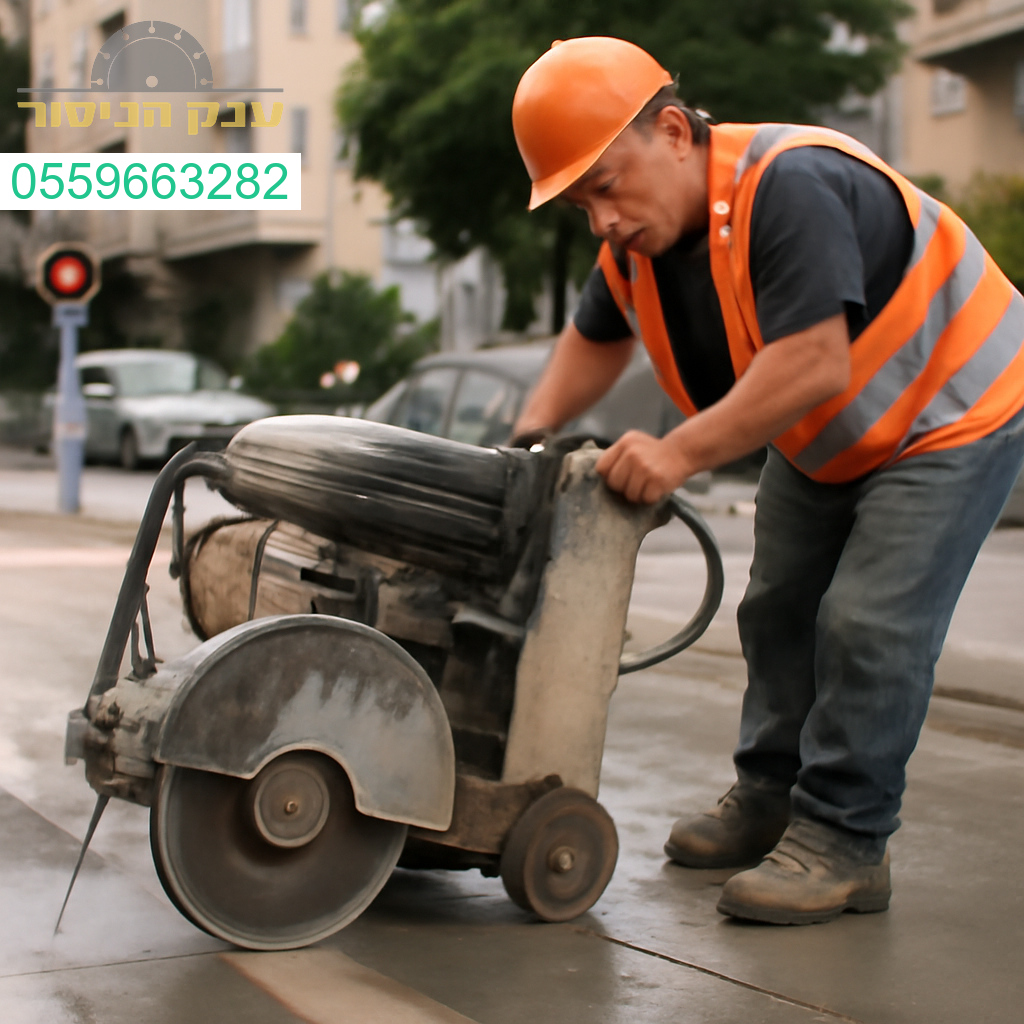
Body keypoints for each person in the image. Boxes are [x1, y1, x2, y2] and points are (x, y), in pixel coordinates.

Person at [509, 36, 1024, 925]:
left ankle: (845, 841)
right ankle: (770, 797)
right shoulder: (639, 245)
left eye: (604, 185)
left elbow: (814, 361)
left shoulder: (787, 186)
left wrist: (675, 453)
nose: (599, 219)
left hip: (957, 408)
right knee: (776, 607)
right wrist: (522, 445)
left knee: (867, 622)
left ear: (672, 131)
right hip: (831, 433)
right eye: (578, 202)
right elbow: (594, 342)